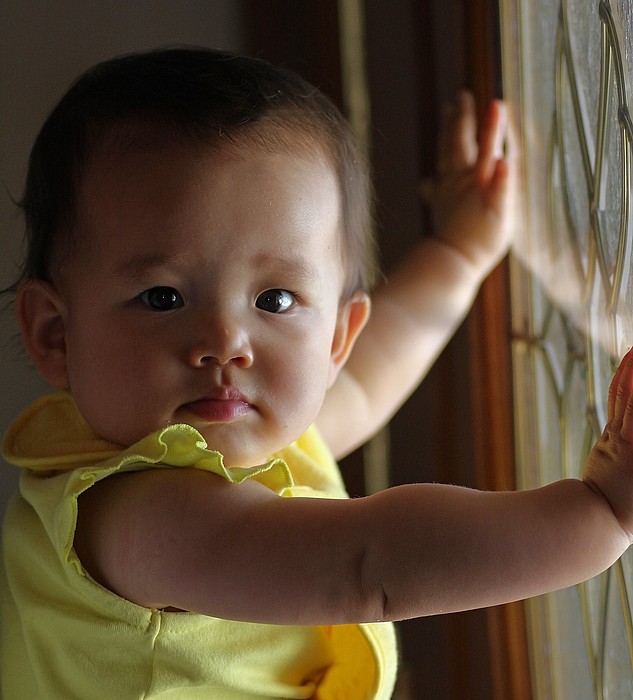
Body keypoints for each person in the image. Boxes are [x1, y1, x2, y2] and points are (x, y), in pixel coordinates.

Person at [1, 46, 632, 700]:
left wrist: (458, 253)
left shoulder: (237, 430)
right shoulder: (137, 517)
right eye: (162, 297)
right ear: (55, 333)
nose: (225, 343)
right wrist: (596, 515)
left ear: (336, 338)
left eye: (274, 300)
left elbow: (366, 378)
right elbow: (369, 566)